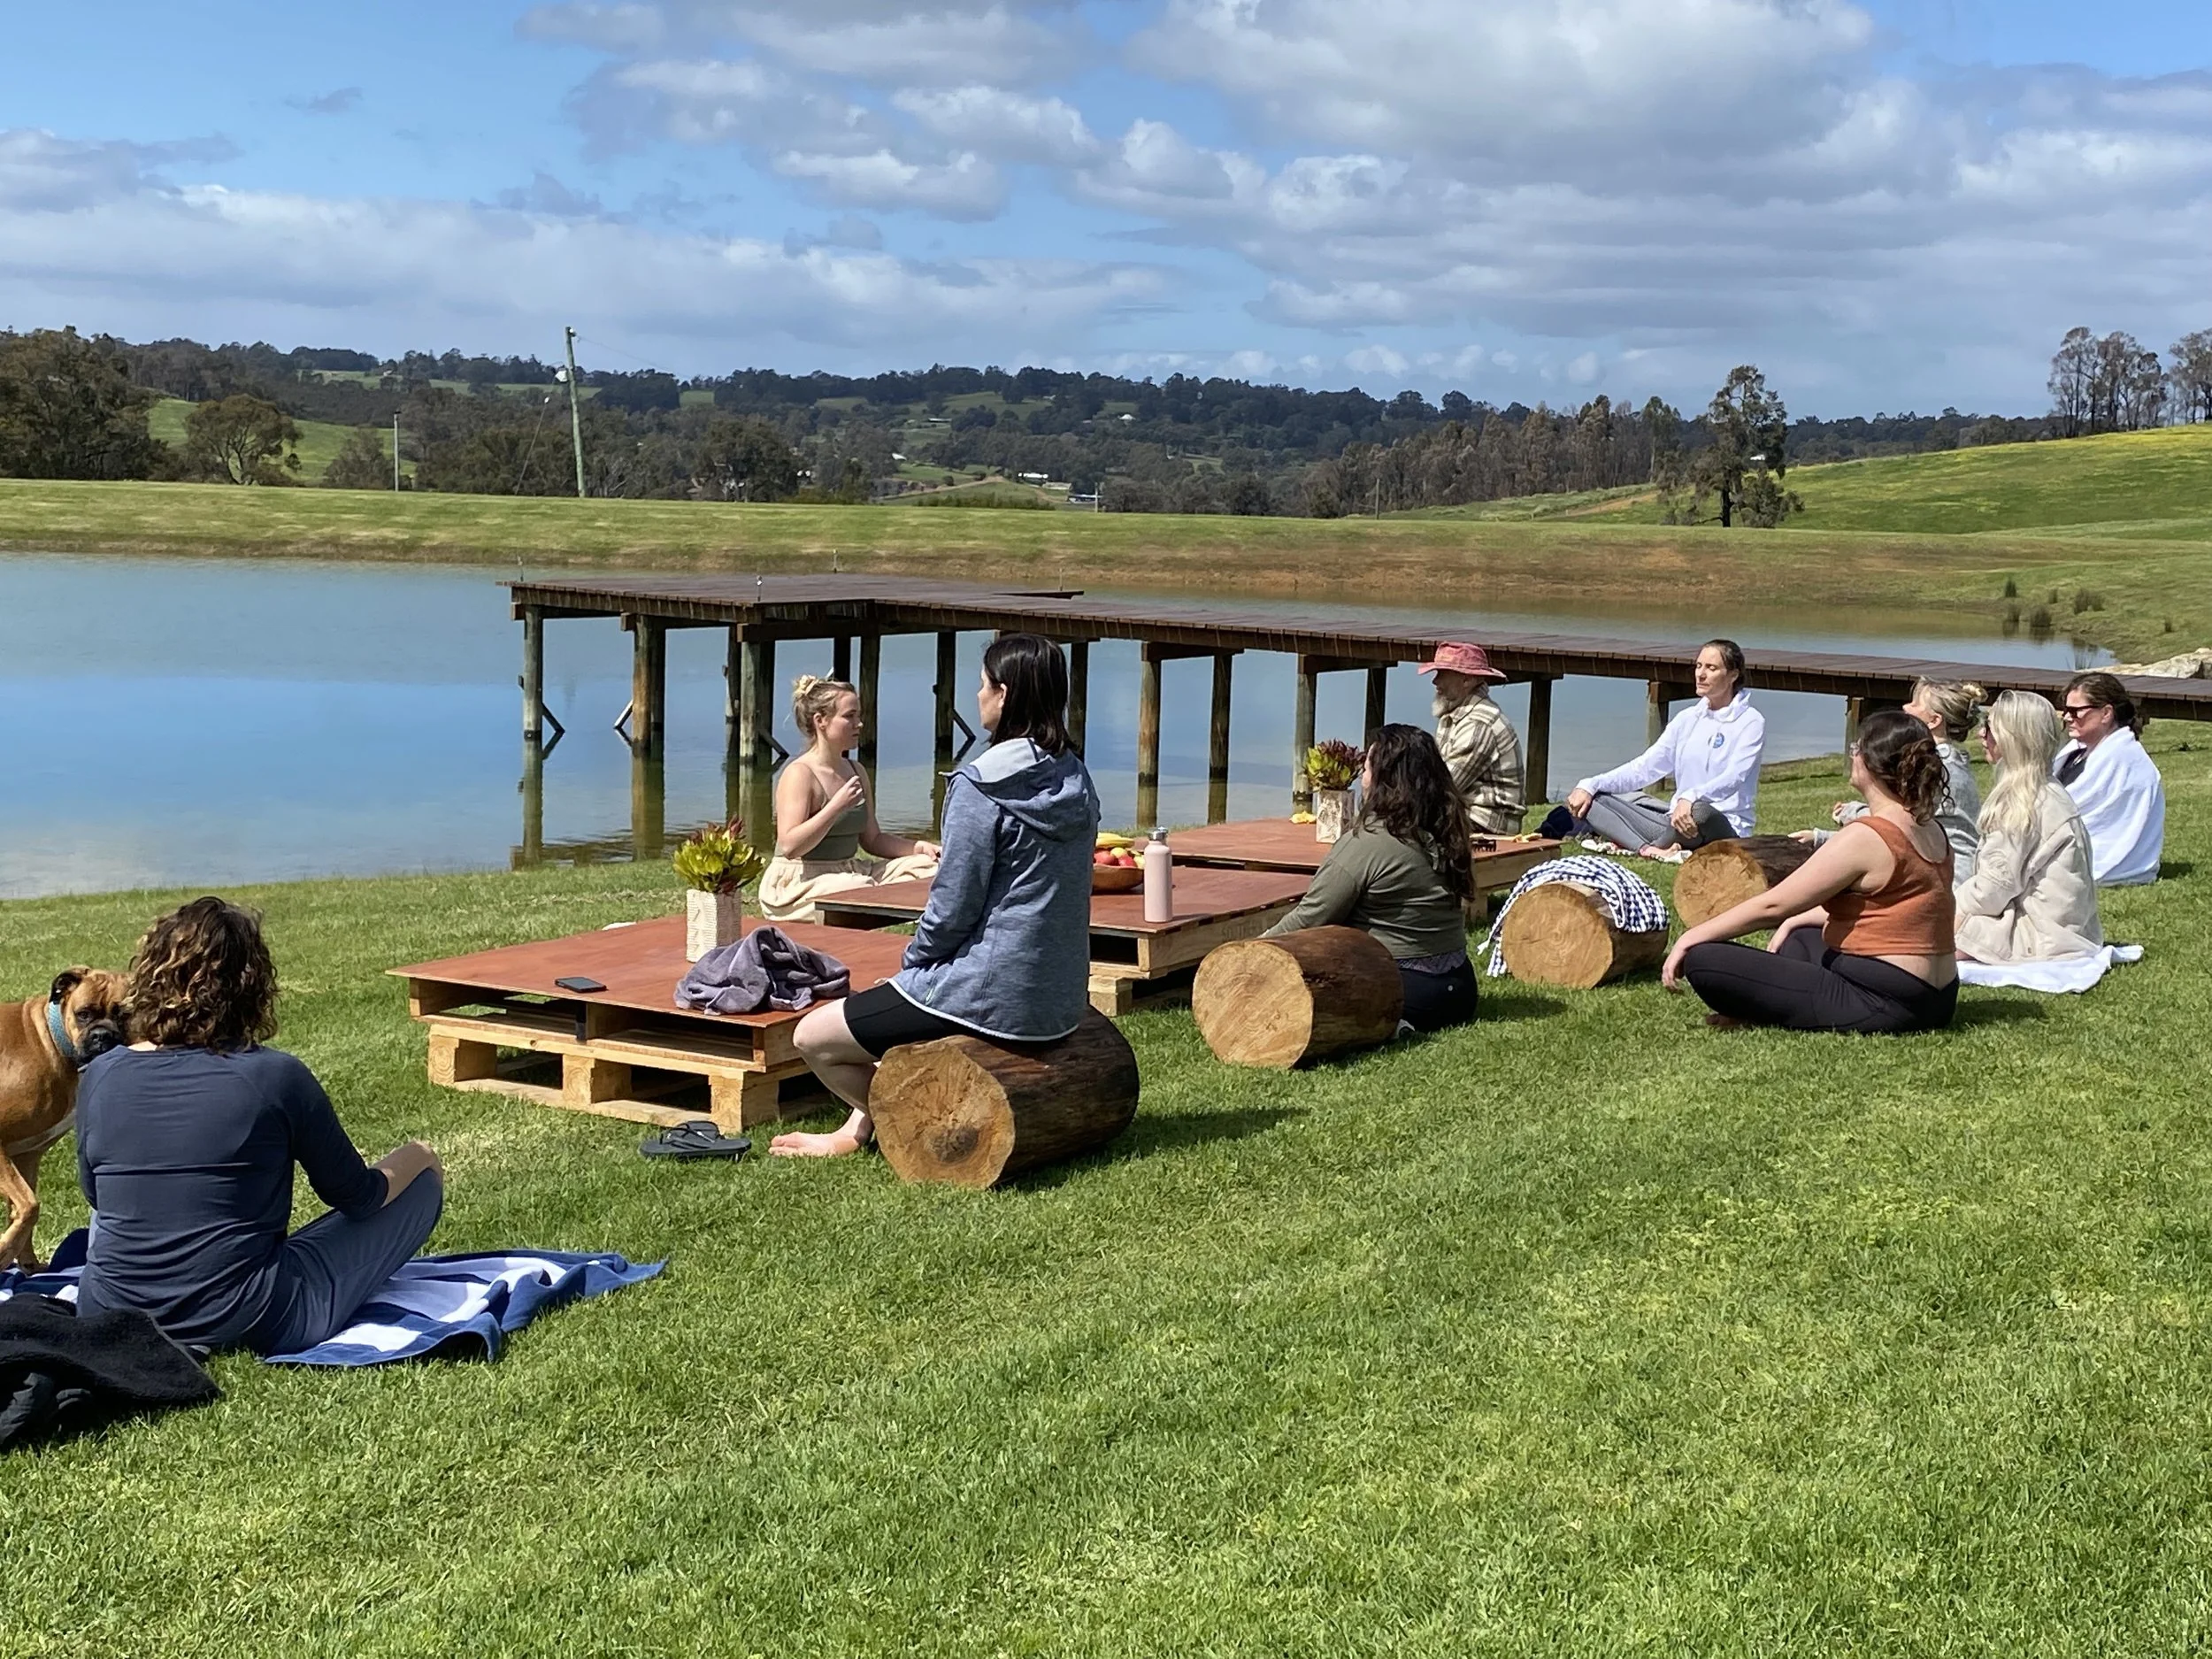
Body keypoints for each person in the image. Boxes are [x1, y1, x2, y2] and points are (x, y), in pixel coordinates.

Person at [772, 634, 1100, 1158]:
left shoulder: (980, 784)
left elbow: (952, 905)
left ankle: (907, 1124)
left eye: (982, 685)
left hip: (990, 994)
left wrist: (915, 968)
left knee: (813, 1037)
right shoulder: (1075, 775)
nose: (977, 696)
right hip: (1058, 996)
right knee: (889, 1011)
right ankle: (856, 1129)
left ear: (1004, 694)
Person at [73, 897, 444, 1353]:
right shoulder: (276, 1076)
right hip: (252, 1316)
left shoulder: (101, 1074)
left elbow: (96, 1196)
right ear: (252, 986)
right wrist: (419, 1157)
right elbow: (360, 1198)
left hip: (109, 1312)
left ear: (149, 980)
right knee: (420, 1187)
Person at [1665, 708, 1957, 1034]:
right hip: (1938, 997)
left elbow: (1773, 905)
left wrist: (1691, 937)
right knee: (1800, 936)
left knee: (1704, 959)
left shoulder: (1867, 836)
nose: (1852, 756)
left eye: (1855, 748)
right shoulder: (1929, 828)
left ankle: (1764, 1007)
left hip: (1884, 1000)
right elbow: (1899, 908)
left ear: (1870, 762)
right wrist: (1798, 918)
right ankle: (1768, 1001)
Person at [1263, 724, 1479, 1033]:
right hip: (1460, 989)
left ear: (1384, 781)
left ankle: (1394, 1025)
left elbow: (1311, 917)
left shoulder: (1368, 842)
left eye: (1366, 769)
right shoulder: (1449, 831)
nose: (1362, 779)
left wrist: (1249, 952)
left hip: (1406, 993)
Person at [757, 675, 941, 922]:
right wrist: (835, 807)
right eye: (849, 716)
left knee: (932, 869)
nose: (859, 724)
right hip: (798, 882)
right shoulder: (799, 773)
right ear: (821, 721)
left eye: (858, 715)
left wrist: (918, 848)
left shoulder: (856, 770)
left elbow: (873, 839)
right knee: (858, 889)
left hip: (848, 871)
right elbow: (790, 846)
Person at [1562, 640, 1763, 855]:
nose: (1701, 674)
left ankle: (1647, 840)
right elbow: (1645, 768)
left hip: (1720, 824)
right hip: (1675, 820)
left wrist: (1691, 796)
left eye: (1711, 668)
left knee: (1700, 811)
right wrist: (1590, 784)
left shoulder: (1750, 722)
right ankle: (1650, 849)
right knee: (1594, 799)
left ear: (1733, 675)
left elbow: (1733, 778)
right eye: (1698, 666)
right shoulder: (1687, 718)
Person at [1955, 690, 2102, 963]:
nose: (1980, 734)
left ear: (2011, 739)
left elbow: (1992, 890)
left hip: (2042, 938)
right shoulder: (2047, 791)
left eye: (1988, 728)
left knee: (1918, 933)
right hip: (2069, 931)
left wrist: (1945, 907)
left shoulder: (2022, 805)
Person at [1797, 679, 1985, 880]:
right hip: (1941, 866)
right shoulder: (1949, 760)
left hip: (1950, 879)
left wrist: (1845, 818)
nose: (1905, 706)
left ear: (1934, 721)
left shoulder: (1937, 767)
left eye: (1915, 704)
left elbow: (1897, 827)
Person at [2053, 671, 2164, 886]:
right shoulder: (2078, 750)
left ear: (2106, 714)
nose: (2067, 718)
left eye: (2076, 712)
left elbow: (2070, 811)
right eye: (2066, 711)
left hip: (2107, 860)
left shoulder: (2124, 760)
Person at [1419, 641, 1524, 837]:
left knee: (1403, 828)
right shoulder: (1456, 712)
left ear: (1467, 680)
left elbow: (1443, 786)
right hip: (1465, 814)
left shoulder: (1478, 723)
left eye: (1442, 674)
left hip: (1488, 824)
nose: (1435, 682)